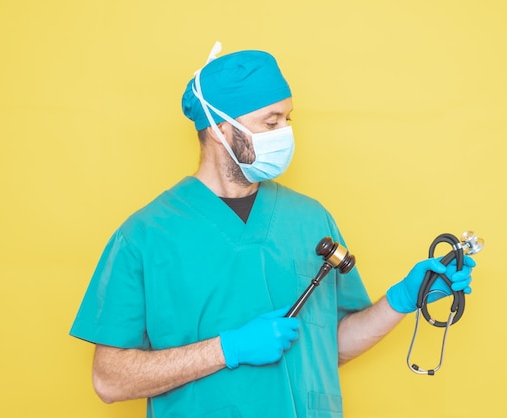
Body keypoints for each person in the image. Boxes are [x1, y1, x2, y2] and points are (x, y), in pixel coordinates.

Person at [70, 43, 475, 418]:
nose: (284, 133)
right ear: (218, 128)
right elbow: (109, 379)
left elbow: (326, 346)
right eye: (270, 121)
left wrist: (402, 300)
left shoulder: (310, 219)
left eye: (287, 118)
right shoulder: (145, 236)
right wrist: (227, 349)